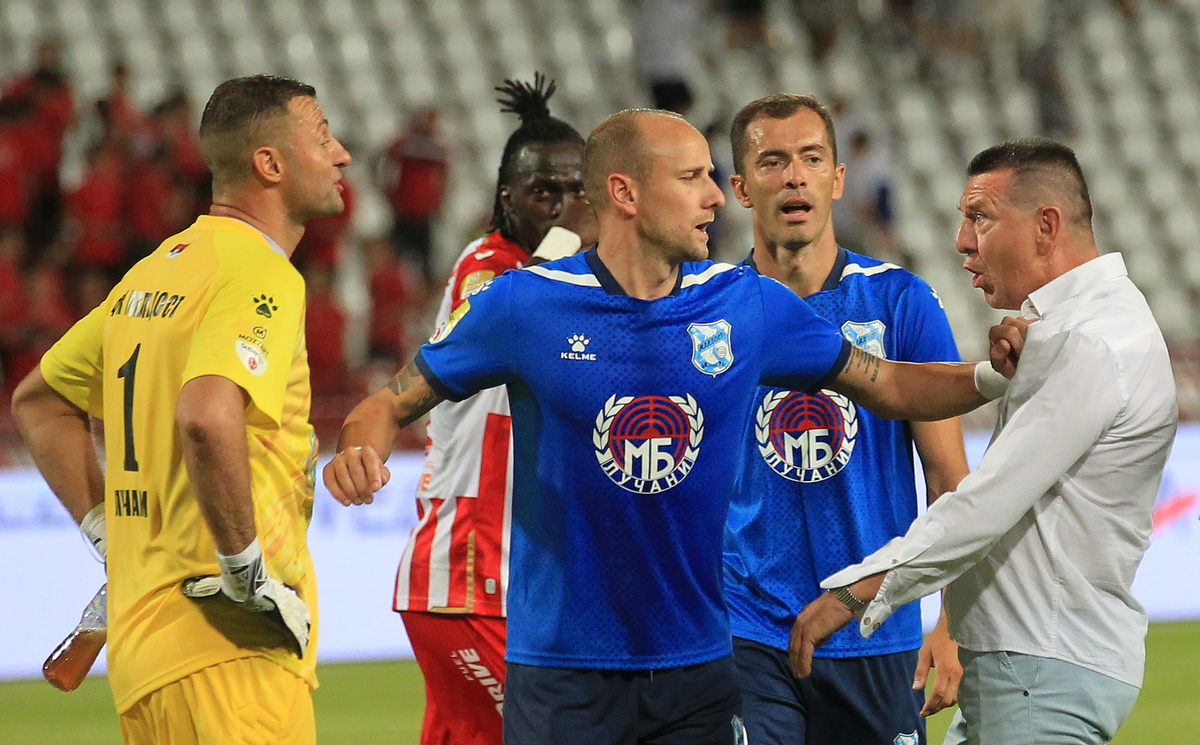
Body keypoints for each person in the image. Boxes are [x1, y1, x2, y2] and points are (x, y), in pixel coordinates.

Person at [324, 109, 1018, 745]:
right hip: (564, 673)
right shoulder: (525, 304)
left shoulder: (744, 305)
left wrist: (993, 374)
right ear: (625, 194)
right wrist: (361, 446)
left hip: (700, 673)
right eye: (693, 178)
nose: (716, 197)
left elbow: (891, 382)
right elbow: (390, 401)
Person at [788, 138, 1177, 745]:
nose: (963, 241)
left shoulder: (1092, 343)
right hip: (1029, 668)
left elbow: (988, 501)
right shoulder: (1082, 329)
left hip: (1041, 673)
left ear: (1046, 226)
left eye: (980, 218)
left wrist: (857, 591)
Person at [10, 74, 351, 744]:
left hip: (146, 658)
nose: (340, 154)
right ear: (270, 164)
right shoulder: (260, 273)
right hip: (231, 657)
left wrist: (111, 534)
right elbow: (206, 413)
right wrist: (246, 573)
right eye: (323, 137)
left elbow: (39, 400)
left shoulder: (155, 270)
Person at [723, 93, 966, 744]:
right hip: (749, 632)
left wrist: (949, 625)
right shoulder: (710, 314)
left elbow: (949, 479)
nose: (794, 175)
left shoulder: (899, 302)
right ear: (742, 188)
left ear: (836, 179)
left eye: (810, 158)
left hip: (874, 632)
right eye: (772, 162)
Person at [396, 73, 593, 745]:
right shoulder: (492, 268)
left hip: (509, 583)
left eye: (577, 192)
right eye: (545, 192)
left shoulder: (572, 286)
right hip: (467, 574)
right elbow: (518, 313)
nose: (564, 208)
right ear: (506, 197)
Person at [378, 107, 448, 285]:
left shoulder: (434, 146)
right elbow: (383, 161)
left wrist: (439, 200)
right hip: (405, 210)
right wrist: (387, 191)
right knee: (397, 256)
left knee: (424, 259)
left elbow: (445, 175)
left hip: (421, 212)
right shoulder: (407, 144)